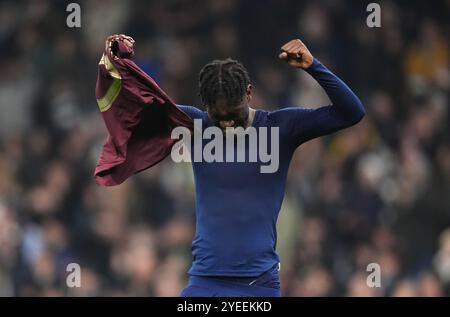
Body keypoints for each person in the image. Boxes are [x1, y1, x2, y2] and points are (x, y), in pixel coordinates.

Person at [97, 35, 365, 297]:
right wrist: (116, 61)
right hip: (204, 281)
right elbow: (129, 110)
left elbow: (351, 112)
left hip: (257, 285)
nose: (226, 123)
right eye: (218, 116)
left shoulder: (280, 128)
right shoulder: (193, 124)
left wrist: (312, 66)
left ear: (249, 93)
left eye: (233, 114)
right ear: (205, 104)